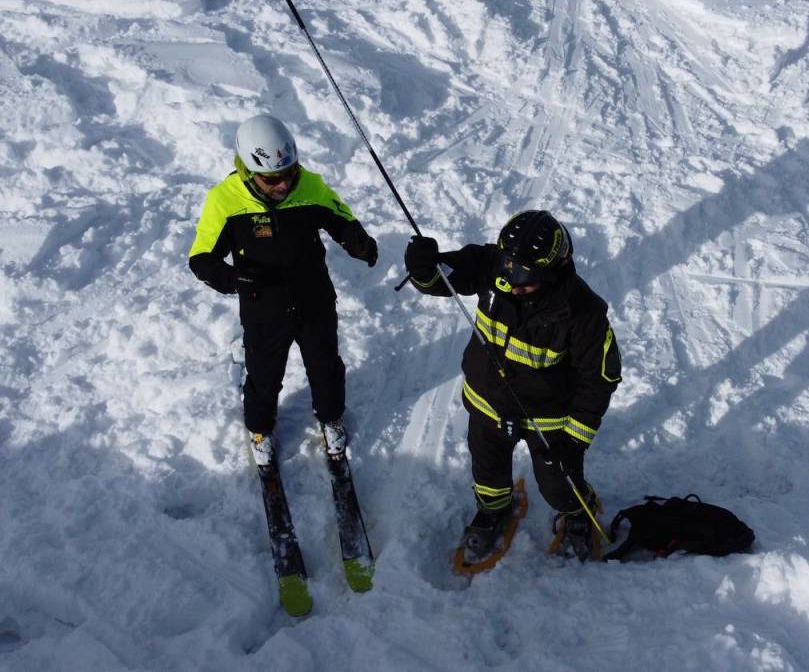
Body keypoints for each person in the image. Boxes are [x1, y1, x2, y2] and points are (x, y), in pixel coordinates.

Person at [403, 211, 622, 560]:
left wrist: (575, 439)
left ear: (552, 273)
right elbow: (441, 278)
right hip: (488, 405)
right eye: (508, 267)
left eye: (525, 275)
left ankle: (578, 510)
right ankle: (494, 509)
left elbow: (600, 379)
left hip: (547, 420)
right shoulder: (491, 265)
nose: (511, 280)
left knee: (558, 485)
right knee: (487, 471)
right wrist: (423, 266)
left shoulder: (583, 314)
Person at [189, 114, 378, 465]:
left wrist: (358, 241)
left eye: (289, 173)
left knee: (325, 368)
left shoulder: (307, 183)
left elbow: (339, 217)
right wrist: (235, 281)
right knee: (264, 375)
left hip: (314, 298)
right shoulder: (224, 200)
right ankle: (260, 429)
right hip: (264, 307)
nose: (284, 185)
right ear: (247, 170)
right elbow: (201, 259)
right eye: (273, 178)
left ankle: (331, 418)